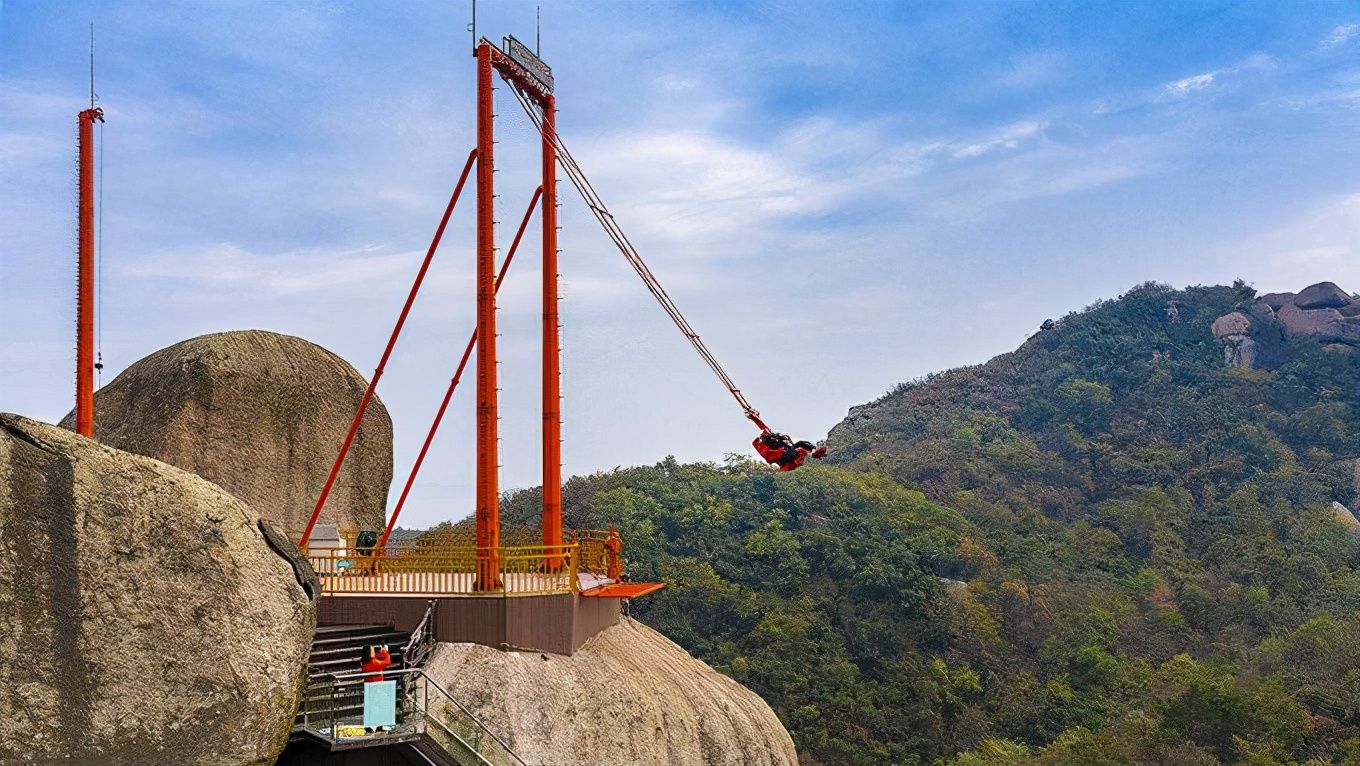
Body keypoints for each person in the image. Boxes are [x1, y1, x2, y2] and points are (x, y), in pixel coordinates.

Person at [752, 430, 827, 471]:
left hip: (786, 456)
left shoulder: (773, 447)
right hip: (786, 455)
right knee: (799, 444)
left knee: (799, 444)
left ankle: (814, 450)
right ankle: (814, 450)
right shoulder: (771, 446)